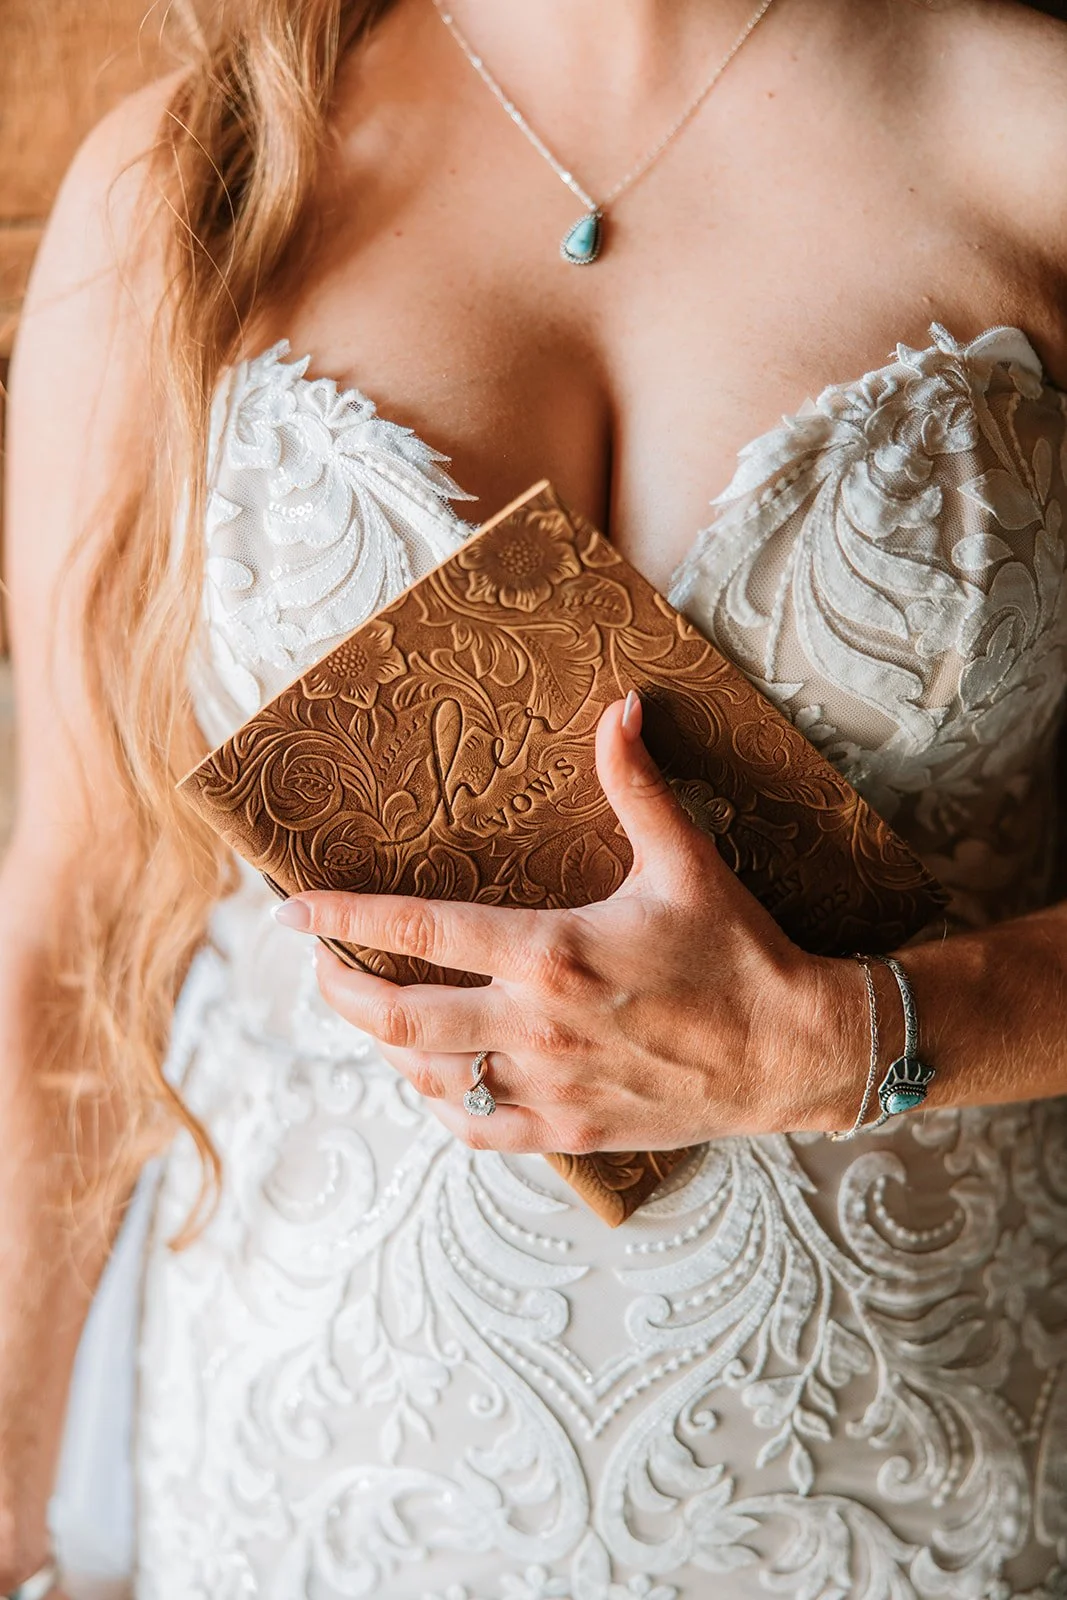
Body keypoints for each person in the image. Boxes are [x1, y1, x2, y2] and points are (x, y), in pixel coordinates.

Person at [4, 0, 1067, 1594]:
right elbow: (69, 939)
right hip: (312, 1473)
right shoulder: (190, 180)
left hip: (904, 1462)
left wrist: (861, 1040)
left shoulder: (1034, 139)